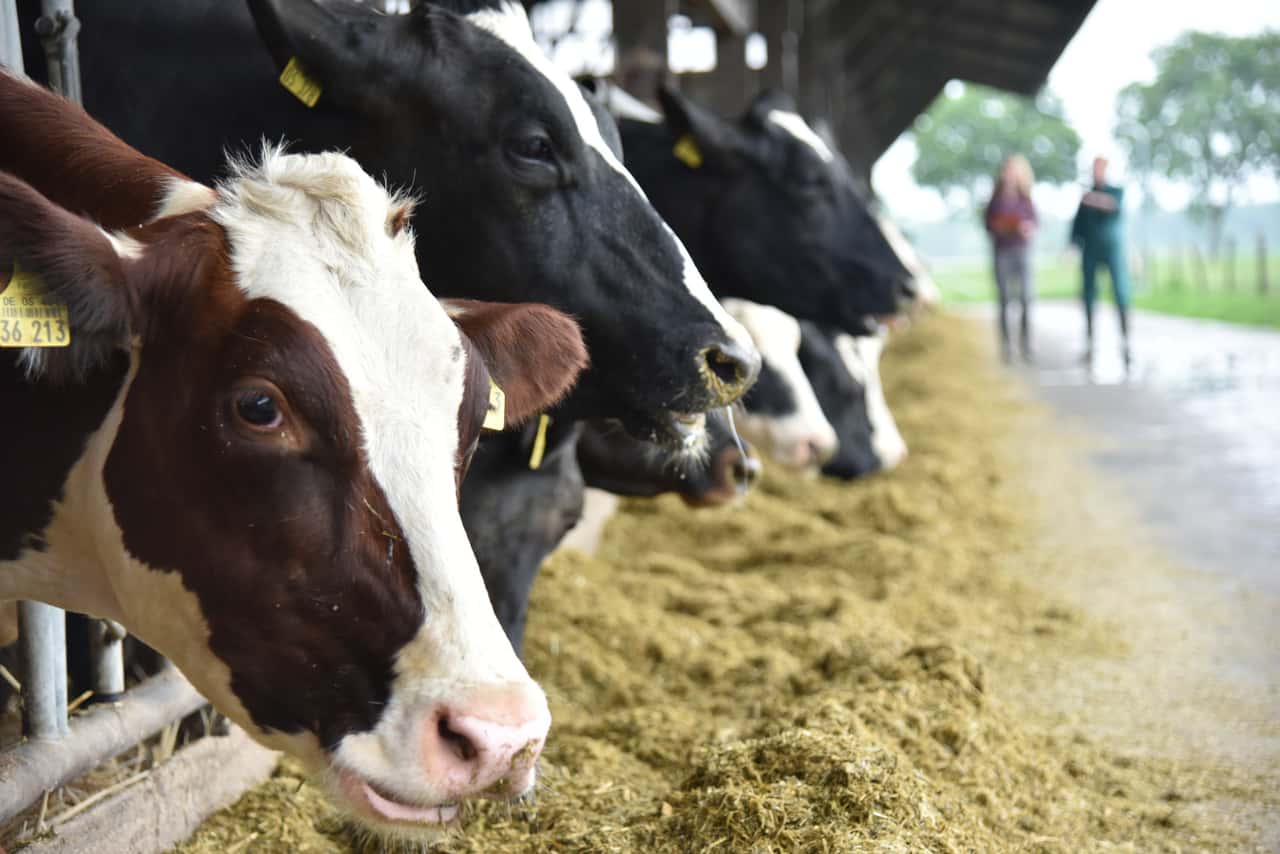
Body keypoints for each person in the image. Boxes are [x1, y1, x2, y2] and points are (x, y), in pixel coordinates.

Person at [1070, 156, 1132, 368]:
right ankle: (1089, 342)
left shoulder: (1115, 191)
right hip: (1090, 250)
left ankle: (1125, 342)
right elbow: (1077, 226)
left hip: (1112, 250)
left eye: (1100, 168)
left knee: (1120, 293)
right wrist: (1072, 245)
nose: (1096, 172)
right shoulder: (1084, 199)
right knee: (1088, 294)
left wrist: (1092, 199)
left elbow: (1112, 206)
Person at [984, 154, 1038, 363]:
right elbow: (988, 225)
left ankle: (1026, 345)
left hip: (1022, 251)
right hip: (1002, 252)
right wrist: (1001, 227)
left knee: (1026, 298)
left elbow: (1034, 224)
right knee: (1004, 299)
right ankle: (1006, 347)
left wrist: (1025, 228)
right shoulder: (995, 200)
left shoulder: (1026, 199)